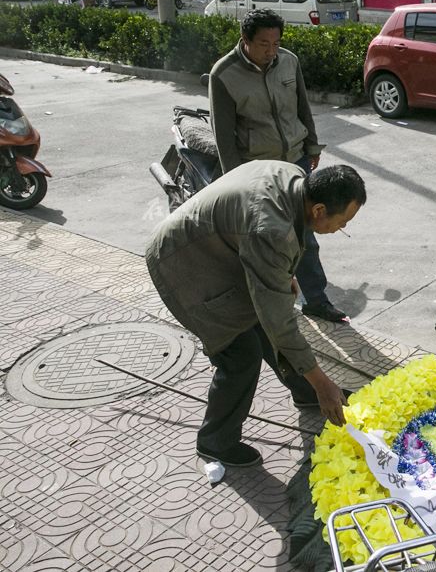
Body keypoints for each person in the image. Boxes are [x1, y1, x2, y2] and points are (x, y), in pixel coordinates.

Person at [145, 160, 366, 466]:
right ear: (318, 210)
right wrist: (324, 382)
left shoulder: (296, 180)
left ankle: (306, 391)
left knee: (265, 323)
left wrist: (279, 273)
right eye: (343, 223)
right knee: (240, 354)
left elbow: (264, 255)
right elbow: (280, 320)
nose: (342, 228)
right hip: (183, 266)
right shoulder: (272, 229)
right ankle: (215, 442)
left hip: (220, 252)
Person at [209, 8, 349, 325]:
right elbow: (224, 137)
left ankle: (316, 300)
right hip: (258, 170)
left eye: (275, 43)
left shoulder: (288, 60)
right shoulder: (224, 74)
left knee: (305, 236)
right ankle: (266, 302)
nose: (270, 51)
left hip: (296, 162)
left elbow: (302, 106)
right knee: (266, 239)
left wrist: (312, 145)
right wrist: (237, 180)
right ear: (245, 40)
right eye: (263, 44)